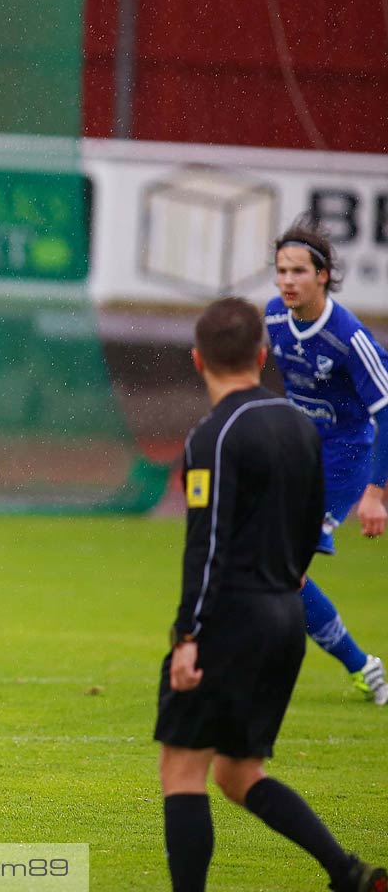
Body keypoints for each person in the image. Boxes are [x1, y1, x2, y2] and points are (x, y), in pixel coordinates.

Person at [155, 297, 386, 892]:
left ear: (197, 358)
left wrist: (187, 637)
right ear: (263, 356)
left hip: (230, 618)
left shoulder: (212, 436)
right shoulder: (300, 428)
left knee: (183, 769)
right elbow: (311, 528)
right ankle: (348, 873)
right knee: (237, 773)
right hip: (286, 618)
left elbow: (204, 546)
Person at [264, 218, 388, 705]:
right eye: (281, 271)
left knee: (284, 567)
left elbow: (386, 413)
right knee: (260, 558)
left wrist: (376, 492)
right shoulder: (274, 316)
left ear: (323, 276)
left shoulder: (349, 337)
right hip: (293, 456)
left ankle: (363, 667)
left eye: (298, 271)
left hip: (342, 462)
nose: (288, 281)